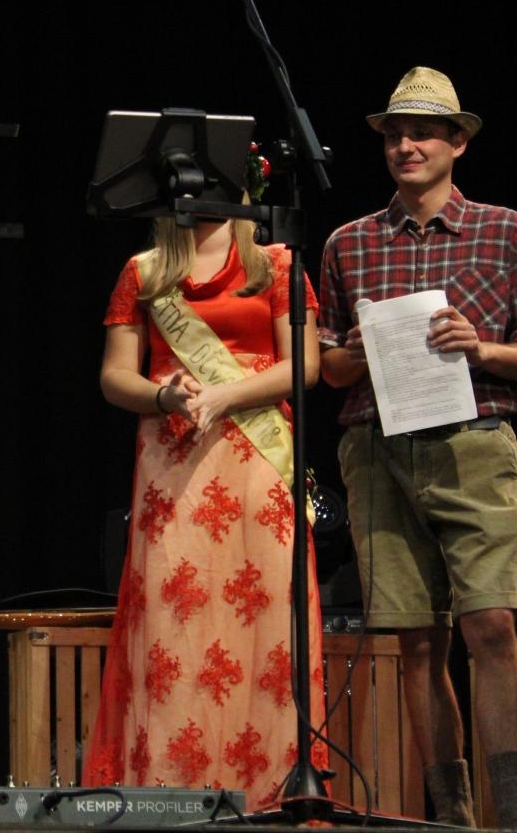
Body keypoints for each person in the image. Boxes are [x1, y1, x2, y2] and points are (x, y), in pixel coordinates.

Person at [318, 66, 517, 828]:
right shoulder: (350, 242)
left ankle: (513, 814)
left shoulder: (506, 230)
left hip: (474, 441)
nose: (406, 146)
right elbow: (328, 366)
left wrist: (484, 348)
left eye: (423, 134)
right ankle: (452, 817)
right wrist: (358, 351)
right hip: (379, 447)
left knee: (491, 625)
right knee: (417, 640)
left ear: (457, 142)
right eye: (395, 135)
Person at [82, 206, 326, 812]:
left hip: (258, 466)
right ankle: (170, 798)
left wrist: (226, 395)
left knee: (267, 625)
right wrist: (164, 394)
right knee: (174, 624)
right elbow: (115, 377)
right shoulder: (144, 271)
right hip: (175, 465)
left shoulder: (276, 265)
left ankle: (270, 797)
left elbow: (305, 365)